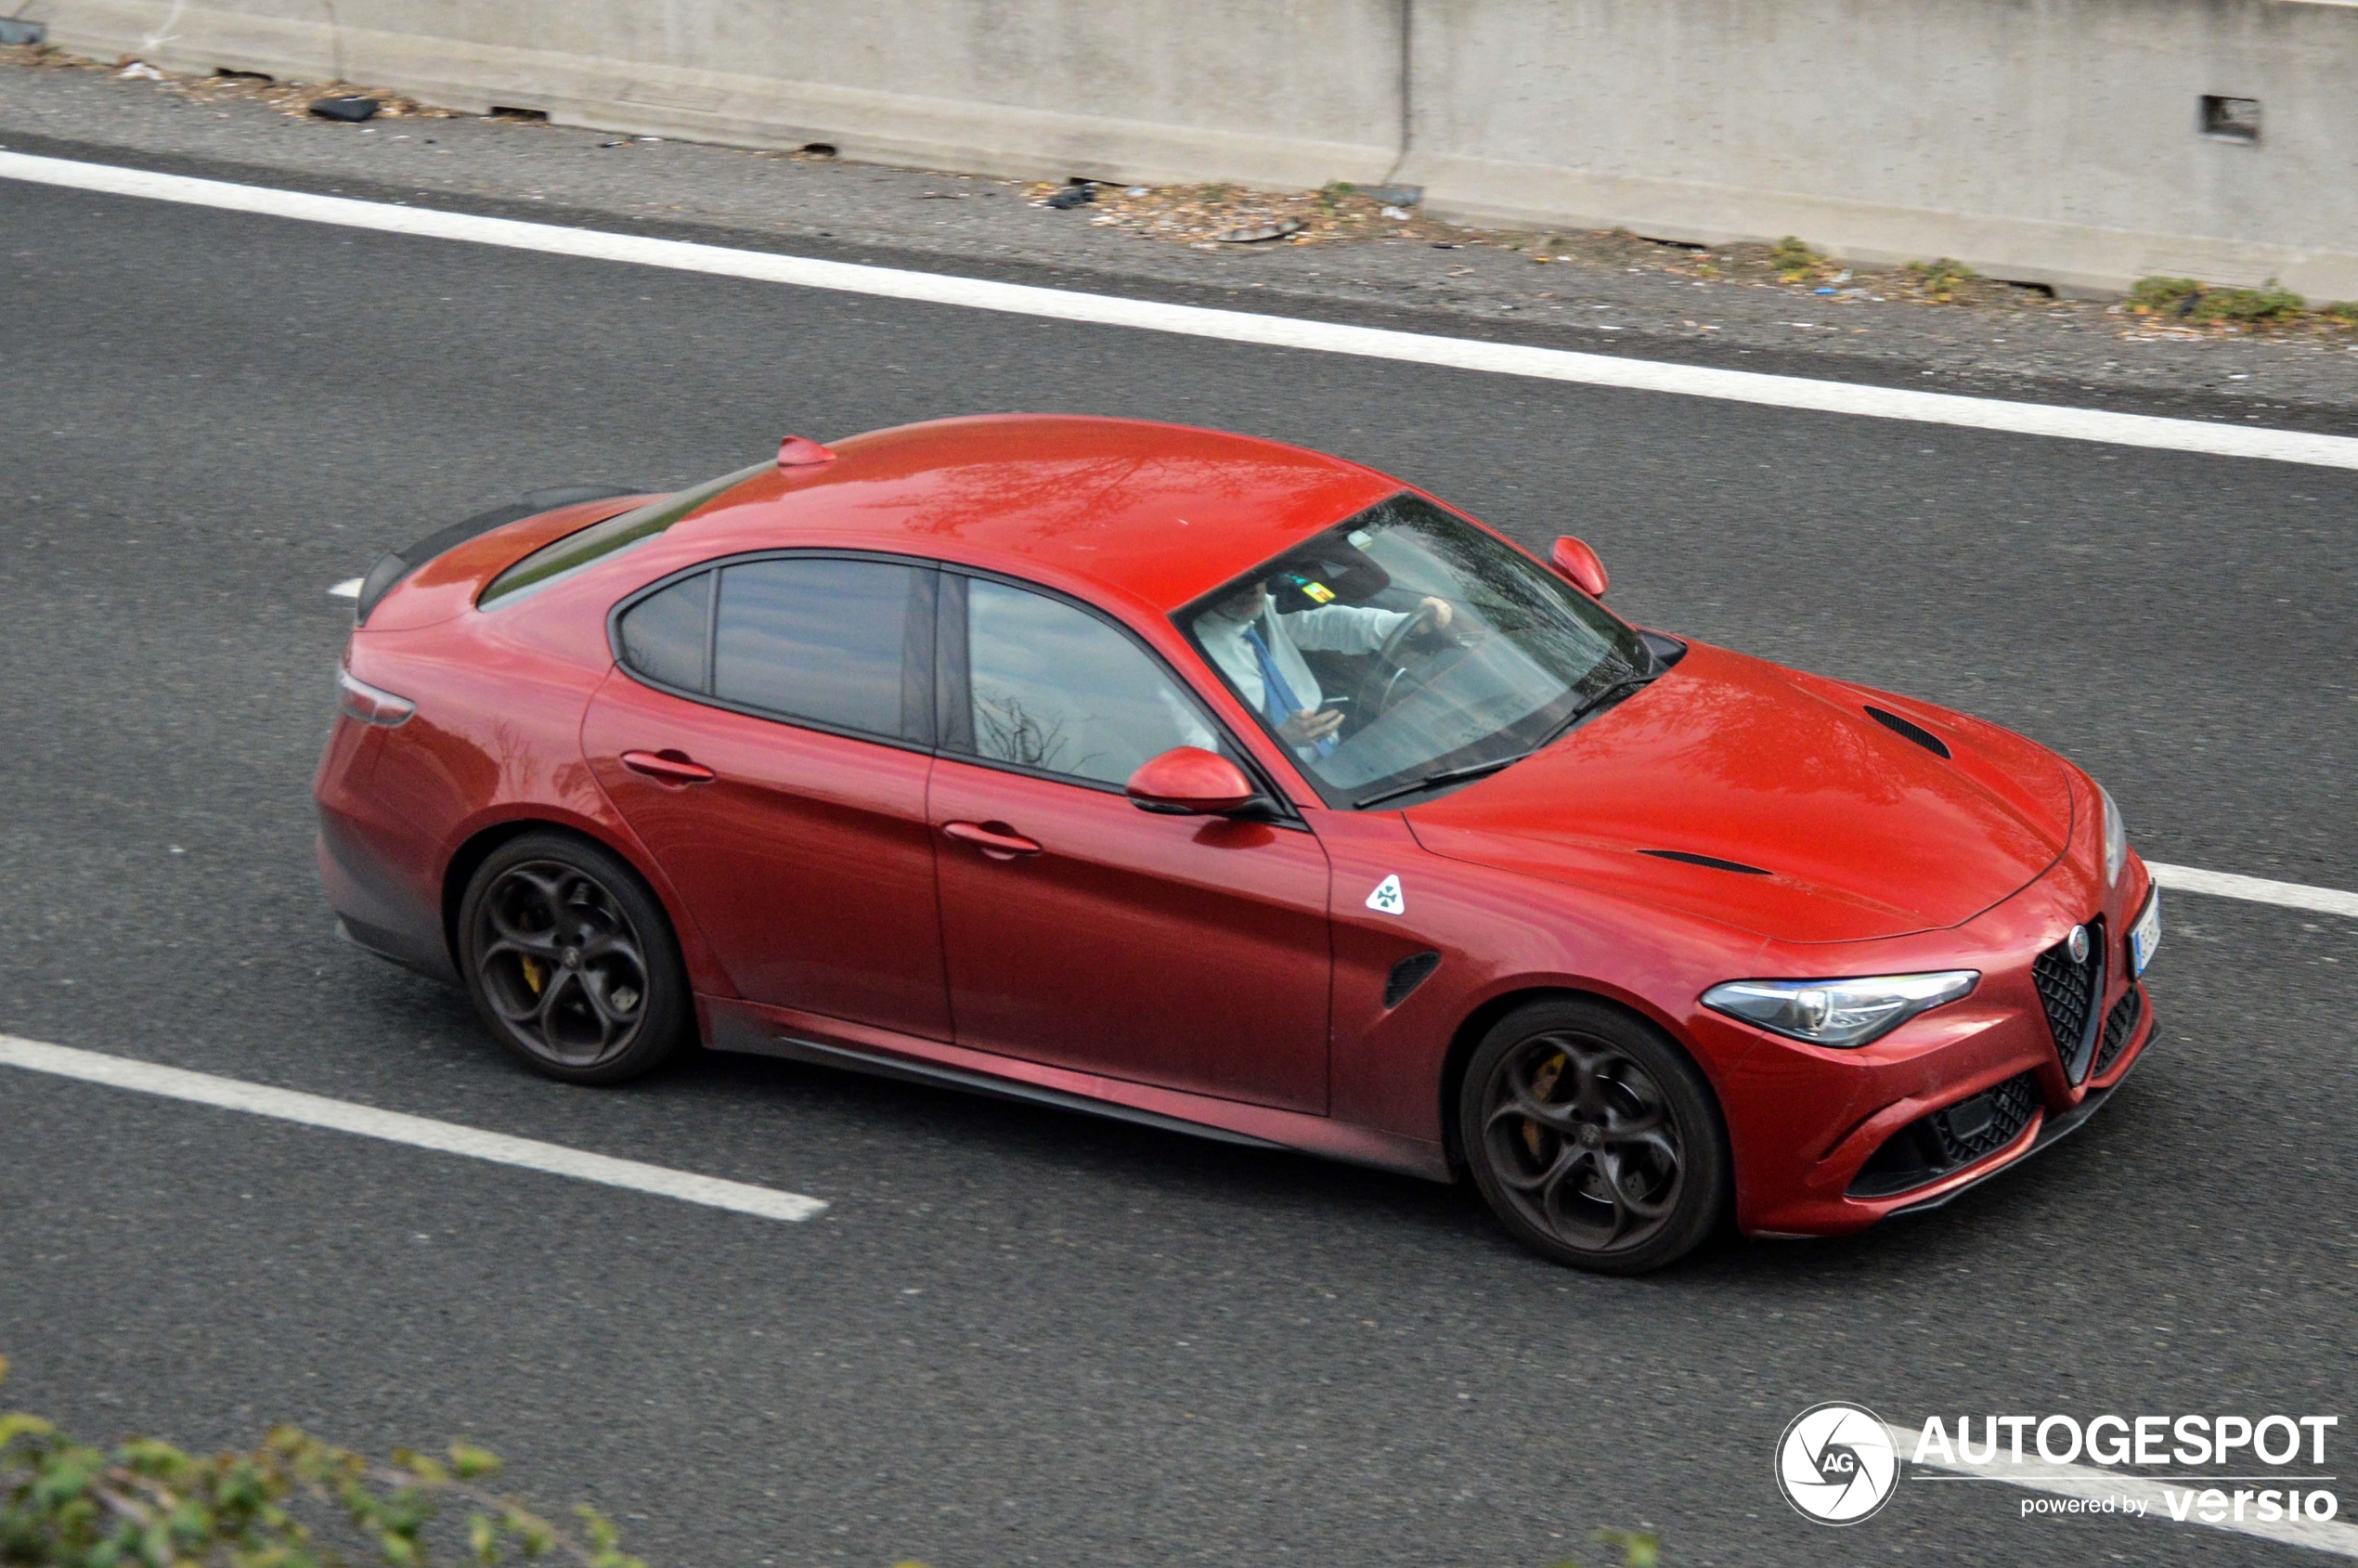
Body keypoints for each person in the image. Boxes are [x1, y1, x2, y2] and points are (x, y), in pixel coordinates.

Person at [1193, 578, 1453, 759]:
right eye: (1236, 586)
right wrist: (1273, 739)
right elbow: (1198, 755)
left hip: (1332, 747)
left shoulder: (1267, 609)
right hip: (1278, 782)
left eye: (1255, 579)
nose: (1252, 590)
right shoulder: (1186, 659)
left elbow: (1333, 623)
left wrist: (1406, 623)